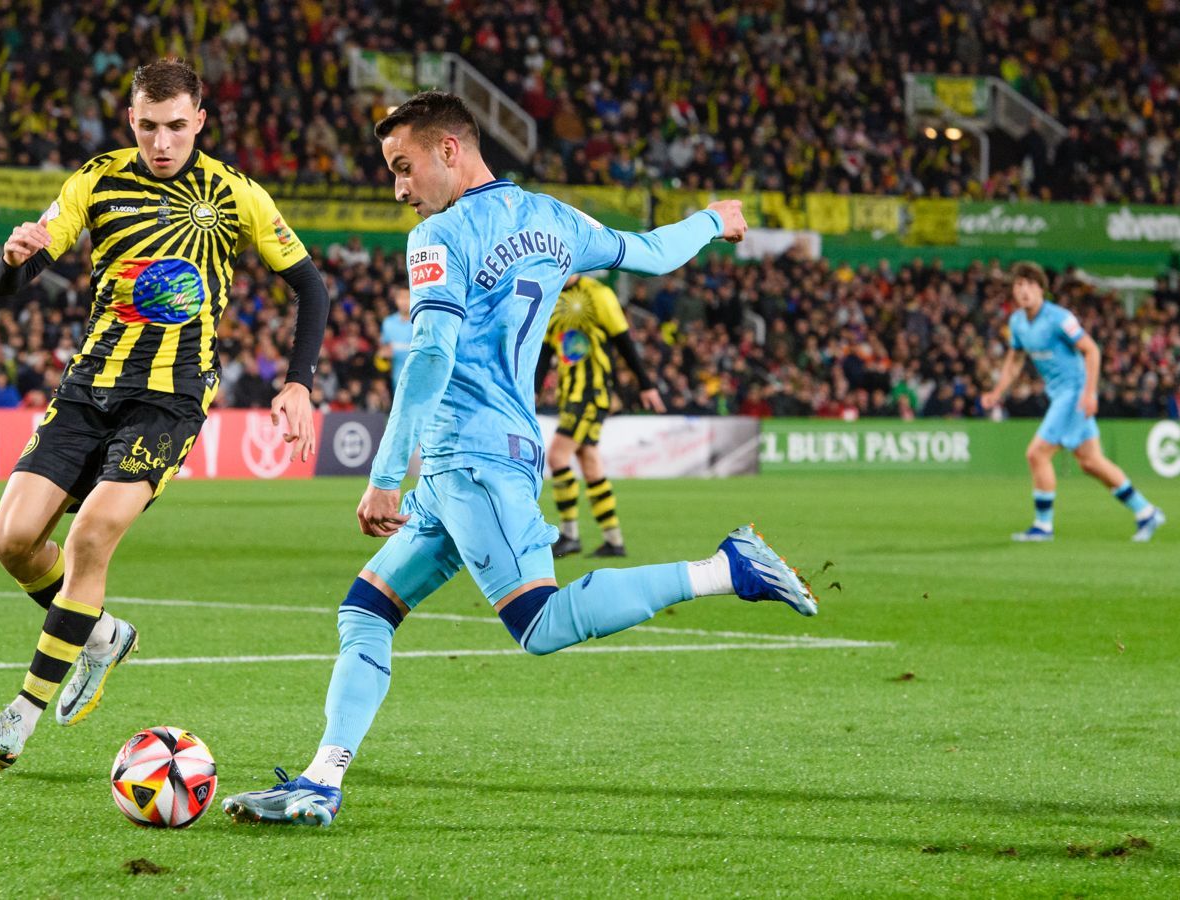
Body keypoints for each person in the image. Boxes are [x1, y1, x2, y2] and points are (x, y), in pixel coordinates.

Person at [219, 90, 817, 827]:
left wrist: (384, 477)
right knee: (366, 610)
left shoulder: (439, 236)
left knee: (540, 623)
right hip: (483, 459)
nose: (399, 189)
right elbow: (653, 253)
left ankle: (727, 569)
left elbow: (430, 356)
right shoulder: (554, 219)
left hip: (471, 460)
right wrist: (713, 220)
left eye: (404, 167)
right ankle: (321, 780)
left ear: (450, 150)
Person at [0, 58, 332, 771]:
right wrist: (10, 258)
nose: (163, 141)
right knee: (12, 541)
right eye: (150, 126)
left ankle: (18, 720)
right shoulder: (96, 180)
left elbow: (310, 288)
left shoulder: (235, 193)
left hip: (170, 398)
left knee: (91, 535)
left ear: (200, 121)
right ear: (131, 119)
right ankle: (102, 638)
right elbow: (11, 282)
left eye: (177, 126)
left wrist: (298, 382)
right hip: (88, 386)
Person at [980, 262, 1165, 542]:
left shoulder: (1059, 318)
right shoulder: (1017, 322)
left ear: (1041, 289)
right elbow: (1015, 360)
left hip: (1074, 393)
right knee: (1090, 462)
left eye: (1030, 285)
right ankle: (1146, 512)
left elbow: (1091, 350)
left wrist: (1089, 393)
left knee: (1037, 454)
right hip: (1059, 394)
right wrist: (997, 392)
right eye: (1018, 285)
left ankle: (1043, 527)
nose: (1024, 291)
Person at [535, 273, 664, 558]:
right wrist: (534, 389)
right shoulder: (551, 295)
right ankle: (614, 541)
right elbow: (546, 349)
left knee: (557, 457)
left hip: (591, 393)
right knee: (590, 463)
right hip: (569, 394)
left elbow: (623, 339)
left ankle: (570, 535)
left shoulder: (599, 294)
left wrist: (646, 384)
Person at [378, 284, 411, 392]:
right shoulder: (388, 323)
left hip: (420, 376)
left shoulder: (420, 322)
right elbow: (384, 351)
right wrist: (383, 355)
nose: (404, 301)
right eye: (401, 298)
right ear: (396, 300)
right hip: (397, 379)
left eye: (407, 297)